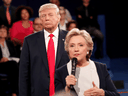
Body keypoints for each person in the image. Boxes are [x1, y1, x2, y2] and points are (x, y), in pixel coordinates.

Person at [19, 3, 69, 96]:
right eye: (43, 16)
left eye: (50, 15)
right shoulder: (29, 41)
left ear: (58, 17)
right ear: (40, 19)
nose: (47, 18)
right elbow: (23, 73)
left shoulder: (70, 38)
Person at [55, 28, 120, 96]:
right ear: (68, 50)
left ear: (88, 49)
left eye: (81, 45)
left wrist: (102, 93)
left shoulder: (101, 68)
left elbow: (116, 95)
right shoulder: (60, 72)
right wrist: (67, 89)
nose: (76, 49)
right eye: (72, 46)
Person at [0, 25, 19, 96]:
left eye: (4, 31)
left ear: (7, 33)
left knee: (14, 66)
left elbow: (16, 56)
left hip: (11, 64)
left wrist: (7, 59)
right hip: (1, 64)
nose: (2, 33)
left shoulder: (10, 43)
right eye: (0, 31)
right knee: (14, 65)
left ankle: (14, 91)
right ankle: (14, 91)